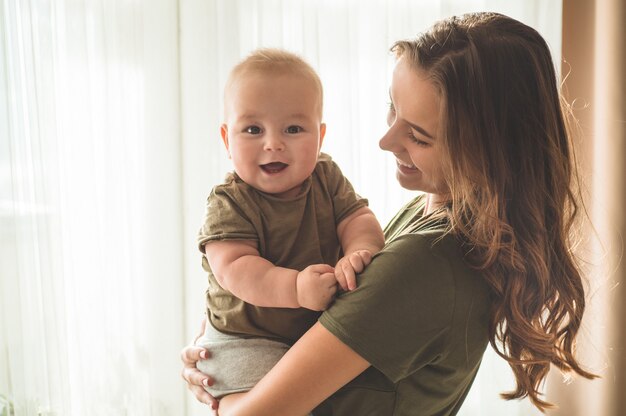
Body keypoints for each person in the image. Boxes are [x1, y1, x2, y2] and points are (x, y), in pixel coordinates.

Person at [182, 12, 597, 415]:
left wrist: (217, 389)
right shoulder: (427, 211)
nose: (385, 140)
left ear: (484, 153)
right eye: (392, 109)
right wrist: (226, 342)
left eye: (417, 135)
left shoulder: (425, 261)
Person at [195, 48, 385, 399]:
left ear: (320, 136)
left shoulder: (326, 177)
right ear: (227, 140)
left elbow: (357, 217)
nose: (273, 144)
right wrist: (295, 288)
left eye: (294, 129)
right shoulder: (229, 201)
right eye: (253, 129)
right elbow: (235, 269)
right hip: (246, 340)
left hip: (308, 333)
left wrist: (362, 249)